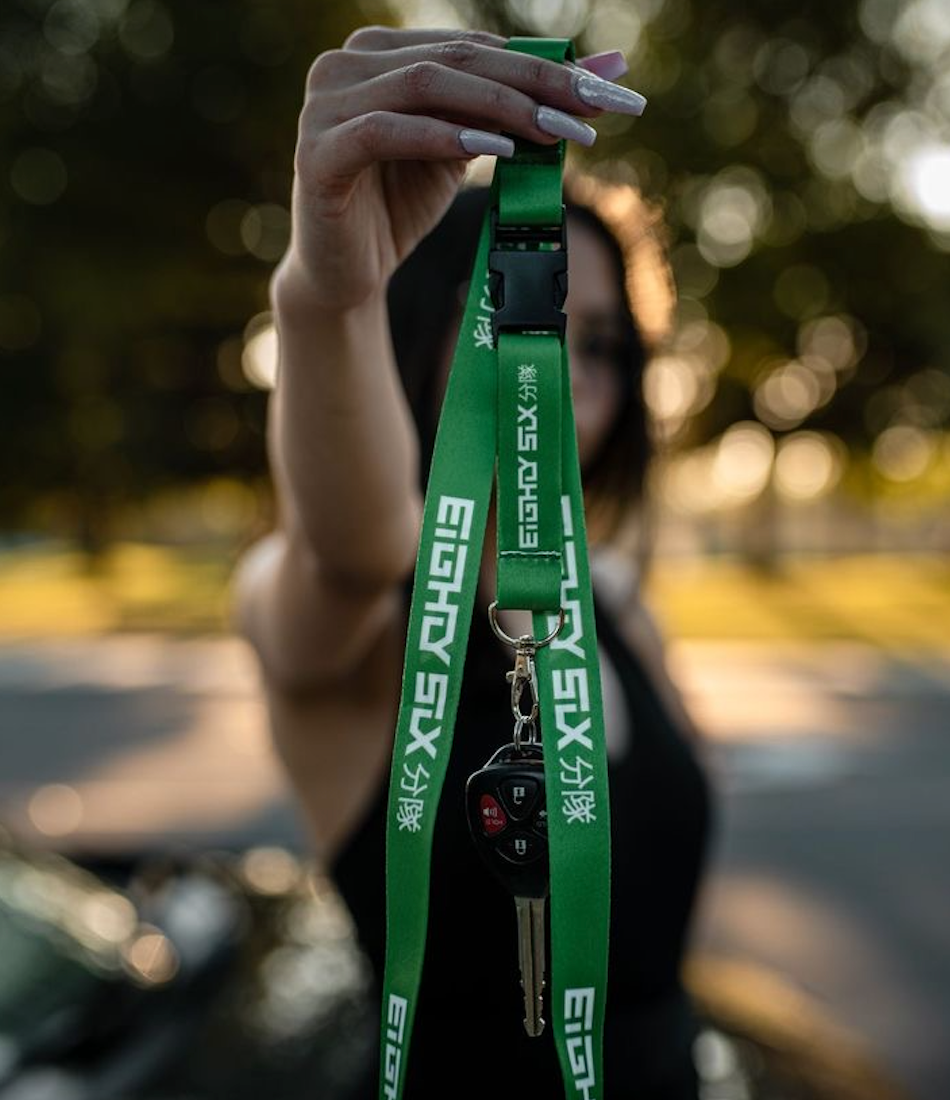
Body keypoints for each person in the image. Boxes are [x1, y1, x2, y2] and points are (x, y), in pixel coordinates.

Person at [231, 25, 713, 1099]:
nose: (568, 368)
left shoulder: (621, 607)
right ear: (419, 322)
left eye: (600, 343)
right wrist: (330, 291)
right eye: (525, 311)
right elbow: (353, 550)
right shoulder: (327, 613)